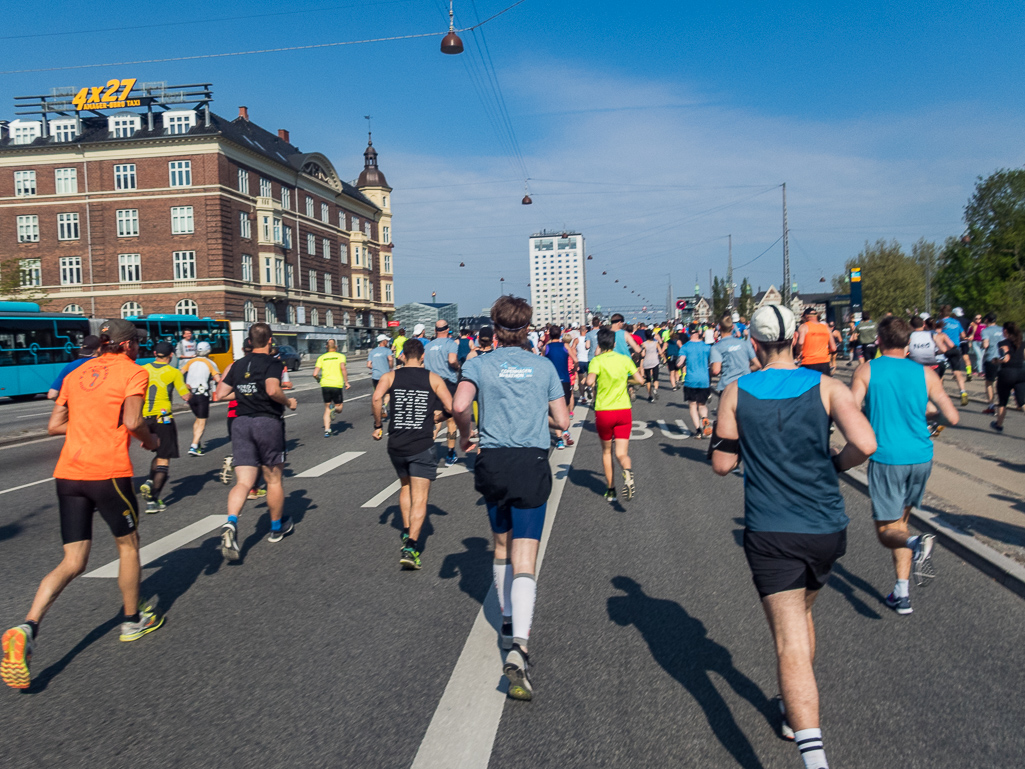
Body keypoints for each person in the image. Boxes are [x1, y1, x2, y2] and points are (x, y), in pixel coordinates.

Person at [711, 304, 877, 769]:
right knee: (803, 615)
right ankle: (791, 709)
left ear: (756, 345)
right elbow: (865, 444)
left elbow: (723, 464)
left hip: (772, 528)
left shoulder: (736, 391)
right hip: (827, 527)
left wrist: (737, 446)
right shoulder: (828, 386)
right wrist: (833, 465)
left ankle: (814, 757)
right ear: (797, 342)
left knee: (788, 643)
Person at [1, 319, 163, 690]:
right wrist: (150, 441)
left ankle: (28, 625)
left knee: (72, 560)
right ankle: (132, 619)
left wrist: (88, 424)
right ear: (124, 346)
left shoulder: (77, 372)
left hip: (69, 474)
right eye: (136, 343)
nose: (139, 348)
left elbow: (55, 425)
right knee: (128, 545)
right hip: (108, 473)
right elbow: (133, 419)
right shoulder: (133, 372)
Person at [453, 295, 569, 701]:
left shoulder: (479, 364)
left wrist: (467, 435)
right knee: (526, 557)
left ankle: (505, 621)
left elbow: (460, 404)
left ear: (494, 327)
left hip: (493, 462)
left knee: (501, 544)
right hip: (531, 461)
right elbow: (564, 419)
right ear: (528, 327)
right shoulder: (543, 366)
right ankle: (519, 645)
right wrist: (545, 417)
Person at [850, 317, 959, 615]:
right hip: (921, 457)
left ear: (880, 342)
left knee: (888, 532)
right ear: (908, 343)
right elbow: (952, 418)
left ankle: (916, 542)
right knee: (901, 522)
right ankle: (902, 593)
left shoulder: (867, 370)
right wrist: (924, 412)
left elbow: (849, 411)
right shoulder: (925, 374)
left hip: (888, 458)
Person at [215, 323, 297, 561]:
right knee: (273, 479)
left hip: (241, 422)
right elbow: (272, 390)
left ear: (249, 341)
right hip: (266, 422)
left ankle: (231, 523)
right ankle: (275, 528)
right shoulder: (273, 363)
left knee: (243, 482)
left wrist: (242, 394)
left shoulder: (238, 364)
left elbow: (220, 394)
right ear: (270, 340)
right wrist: (288, 402)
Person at [372, 338, 454, 570]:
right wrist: (439, 418)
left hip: (396, 444)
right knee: (420, 497)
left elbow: (377, 398)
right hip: (421, 445)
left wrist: (378, 425)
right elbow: (452, 407)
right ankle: (411, 547)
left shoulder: (391, 377)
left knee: (405, 486)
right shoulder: (432, 378)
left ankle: (407, 530)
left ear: (402, 356)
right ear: (422, 357)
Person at [586, 327, 644, 502]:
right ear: (615, 343)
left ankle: (611, 489)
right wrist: (626, 380)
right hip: (623, 410)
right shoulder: (624, 359)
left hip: (604, 411)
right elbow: (640, 380)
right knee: (621, 453)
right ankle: (626, 471)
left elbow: (589, 381)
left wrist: (592, 379)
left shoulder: (597, 361)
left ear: (600, 344)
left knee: (606, 452)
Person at [139, 341, 191, 513]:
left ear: (154, 352)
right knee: (164, 457)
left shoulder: (143, 369)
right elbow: (185, 396)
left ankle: (149, 481)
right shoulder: (174, 372)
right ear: (171, 355)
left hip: (145, 417)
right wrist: (189, 390)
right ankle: (153, 499)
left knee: (158, 452)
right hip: (164, 418)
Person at [424, 319, 461, 466]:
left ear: (435, 330)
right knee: (450, 419)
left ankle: (428, 451)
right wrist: (457, 367)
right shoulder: (451, 343)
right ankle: (450, 454)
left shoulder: (428, 345)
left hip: (432, 383)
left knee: (434, 419)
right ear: (447, 330)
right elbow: (452, 360)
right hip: (447, 383)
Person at [181, 341, 221, 456]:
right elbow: (218, 379)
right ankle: (193, 446)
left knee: (198, 418)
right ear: (208, 351)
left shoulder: (190, 361)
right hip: (202, 394)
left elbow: (180, 373)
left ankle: (197, 444)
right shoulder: (210, 363)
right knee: (202, 420)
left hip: (190, 395)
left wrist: (185, 385)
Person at [710, 314, 760, 399]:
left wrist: (709, 372)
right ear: (732, 327)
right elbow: (758, 365)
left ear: (719, 328)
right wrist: (746, 369)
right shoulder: (744, 344)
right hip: (745, 385)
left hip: (727, 386)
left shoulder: (716, 347)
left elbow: (716, 370)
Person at [543, 325, 576, 449]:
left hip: (551, 381)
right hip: (565, 379)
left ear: (550, 335)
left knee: (553, 410)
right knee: (565, 406)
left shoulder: (547, 347)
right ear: (560, 335)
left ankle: (559, 440)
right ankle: (566, 431)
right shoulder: (565, 346)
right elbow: (575, 359)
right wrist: (574, 369)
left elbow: (541, 361)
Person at [679, 324, 713, 438]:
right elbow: (712, 362)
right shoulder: (706, 347)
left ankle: (698, 430)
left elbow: (680, 362)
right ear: (699, 332)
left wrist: (679, 364)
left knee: (693, 406)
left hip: (691, 380)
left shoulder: (685, 347)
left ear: (688, 332)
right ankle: (705, 419)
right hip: (704, 380)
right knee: (702, 405)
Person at [992, 322, 1024, 432]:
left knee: (1003, 401)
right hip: (1021, 373)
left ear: (1005, 331)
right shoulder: (1022, 343)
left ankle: (999, 425)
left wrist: (996, 361)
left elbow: (1005, 358)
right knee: (1022, 402)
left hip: (1007, 374)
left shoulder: (1003, 343)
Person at [47, 335, 101, 399]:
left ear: (82, 348)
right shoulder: (105, 364)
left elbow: (52, 395)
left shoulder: (70, 366)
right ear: (99, 349)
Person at [314, 339, 349, 438]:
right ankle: (334, 409)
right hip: (336, 385)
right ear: (336, 347)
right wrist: (346, 382)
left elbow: (315, 374)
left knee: (326, 408)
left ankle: (327, 430)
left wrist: (318, 380)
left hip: (325, 385)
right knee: (339, 407)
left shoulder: (321, 358)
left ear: (326, 347)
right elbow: (343, 368)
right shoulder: (341, 356)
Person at [937, 305, 969, 406]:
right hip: (955, 349)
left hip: (944, 349)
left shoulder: (939, 323)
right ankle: (963, 391)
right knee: (957, 372)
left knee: (940, 372)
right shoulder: (956, 322)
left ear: (941, 313)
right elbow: (963, 335)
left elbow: (936, 334)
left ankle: (940, 395)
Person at [795, 307, 836, 376]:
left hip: (808, 362)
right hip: (824, 362)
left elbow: (800, 342)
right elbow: (834, 348)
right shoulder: (826, 327)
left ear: (806, 316)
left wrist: (798, 352)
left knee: (810, 385)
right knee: (824, 385)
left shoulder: (804, 327)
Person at [981, 314, 1004, 414]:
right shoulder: (1002, 329)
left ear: (986, 320)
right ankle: (1003, 405)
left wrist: (982, 345)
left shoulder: (985, 331)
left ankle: (991, 406)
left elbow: (985, 345)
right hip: (1003, 359)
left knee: (989, 383)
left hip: (991, 359)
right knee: (1002, 382)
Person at [367, 334, 395, 414]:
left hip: (375, 376)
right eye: (387, 340)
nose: (387, 342)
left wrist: (375, 368)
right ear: (384, 341)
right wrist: (391, 368)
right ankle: (384, 405)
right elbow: (390, 359)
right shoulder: (387, 351)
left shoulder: (372, 352)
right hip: (385, 376)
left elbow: (368, 365)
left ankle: (378, 410)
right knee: (388, 393)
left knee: (378, 394)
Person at [640, 329, 664, 401]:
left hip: (646, 362)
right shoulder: (656, 343)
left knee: (648, 380)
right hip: (655, 361)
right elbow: (660, 352)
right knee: (655, 378)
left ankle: (650, 396)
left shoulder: (643, 344)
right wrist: (659, 354)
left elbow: (642, 354)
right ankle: (655, 389)